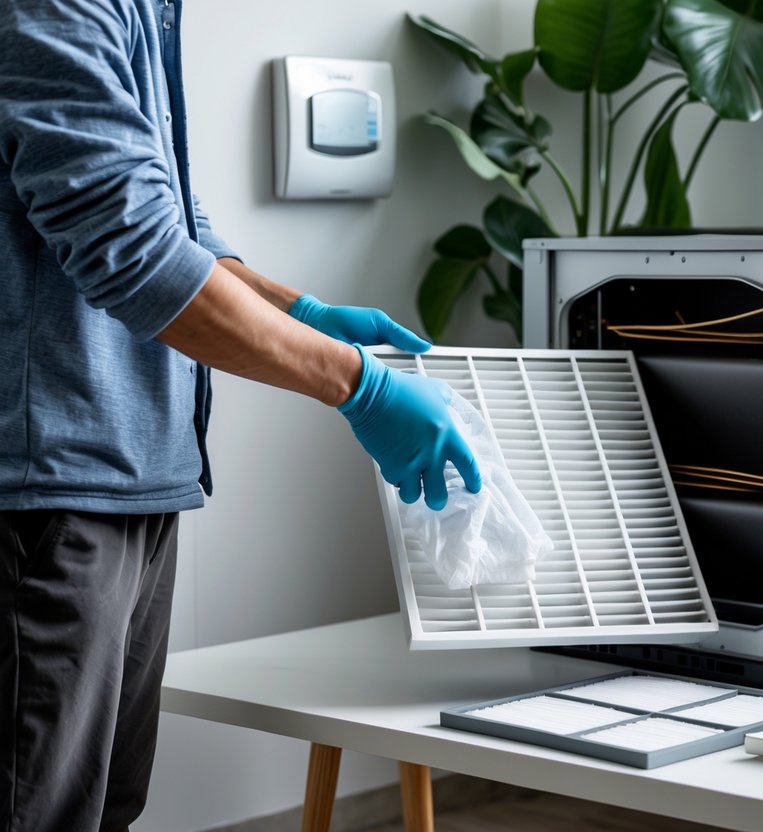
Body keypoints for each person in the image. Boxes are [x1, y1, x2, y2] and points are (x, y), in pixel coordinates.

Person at [0, 1, 481, 829]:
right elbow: (128, 241)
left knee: (106, 803)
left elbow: (168, 214)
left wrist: (303, 313)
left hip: (134, 474)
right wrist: (355, 384)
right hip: (50, 484)